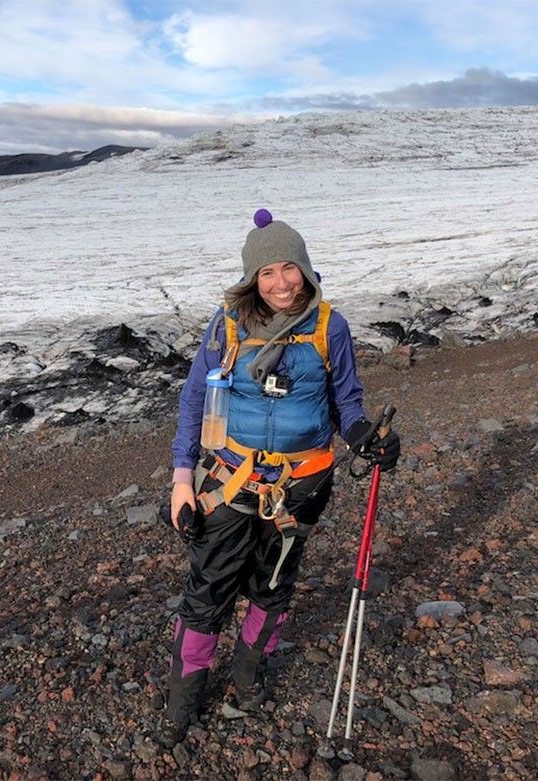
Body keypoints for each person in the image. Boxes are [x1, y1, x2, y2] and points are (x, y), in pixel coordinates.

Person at [161, 208, 400, 747]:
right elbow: (194, 401)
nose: (280, 283)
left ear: (305, 268)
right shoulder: (227, 324)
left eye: (288, 268)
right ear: (252, 278)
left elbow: (346, 402)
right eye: (266, 272)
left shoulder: (329, 327)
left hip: (302, 486)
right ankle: (183, 702)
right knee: (208, 591)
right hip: (230, 481)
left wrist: (364, 437)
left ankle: (248, 677)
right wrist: (181, 479)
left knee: (273, 587)